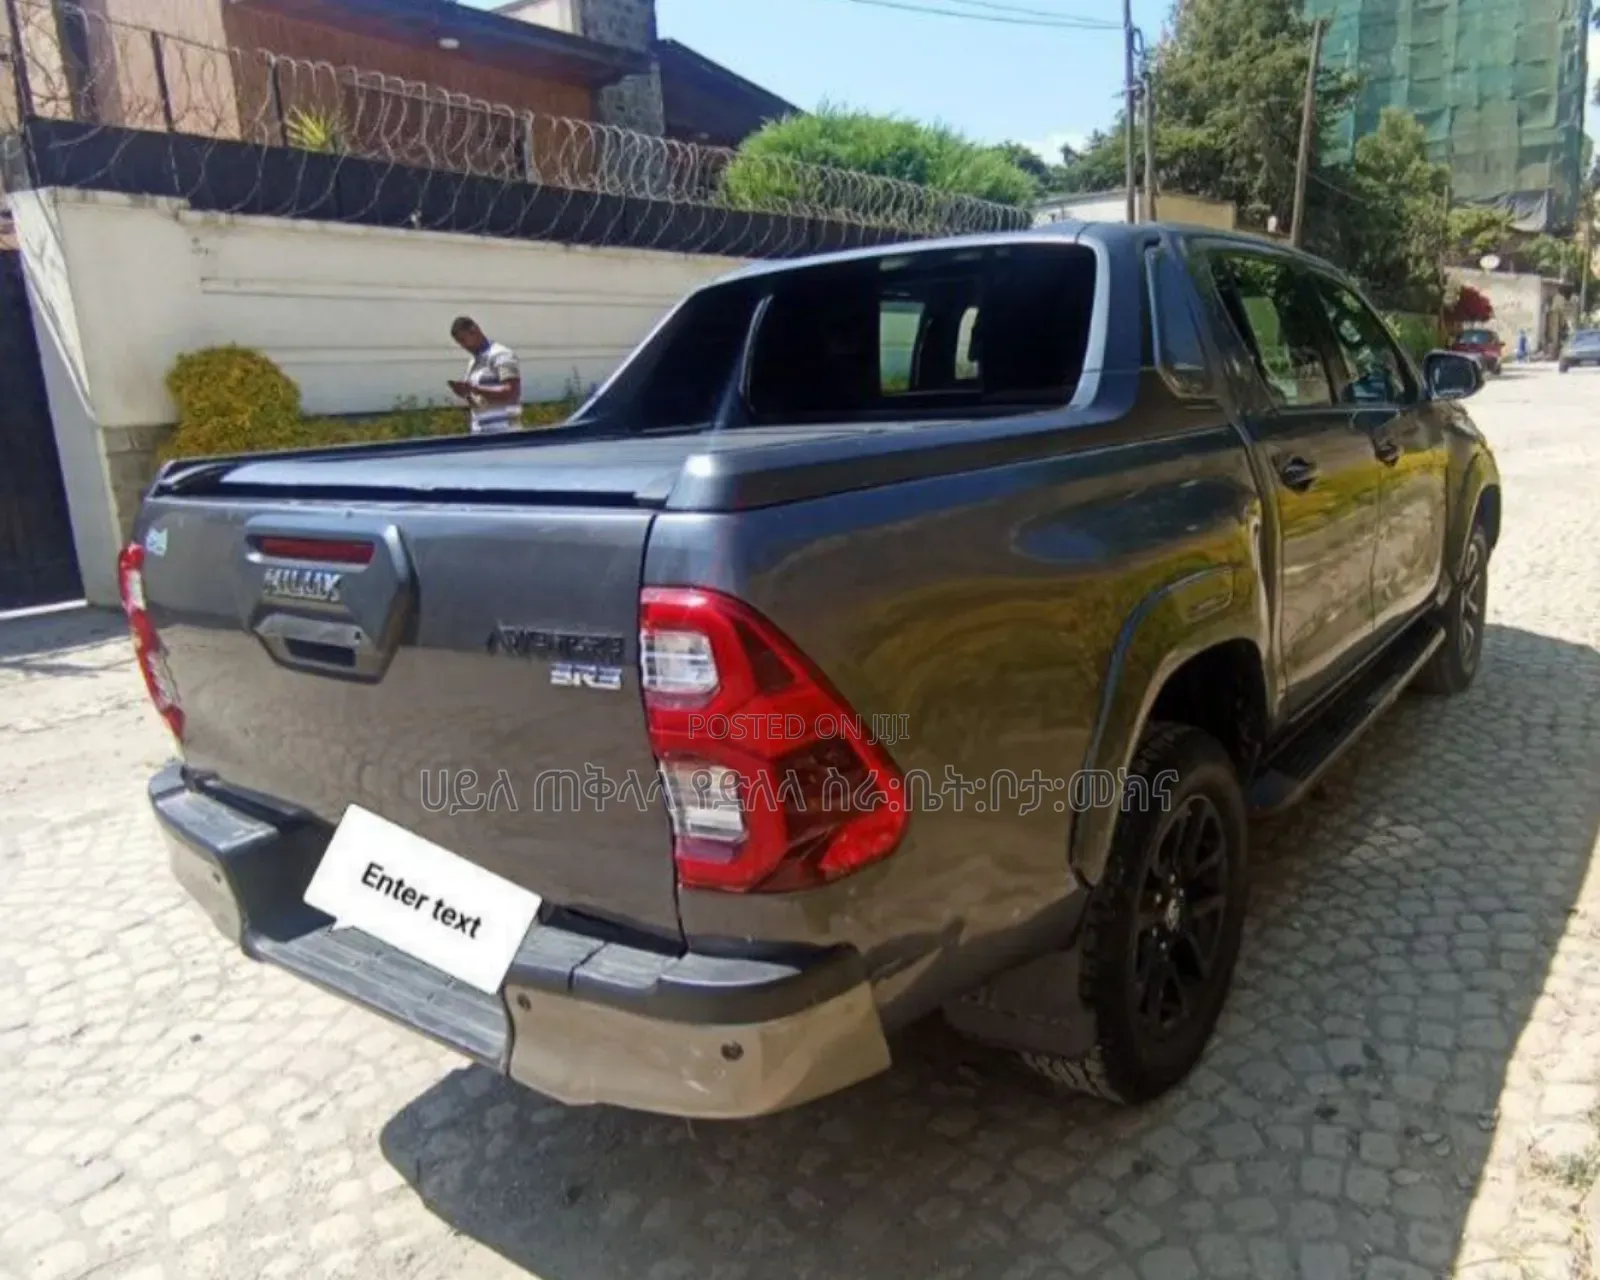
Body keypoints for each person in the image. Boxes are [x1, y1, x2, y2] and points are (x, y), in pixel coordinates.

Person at [448, 316, 522, 433]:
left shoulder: (502, 355)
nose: (463, 346)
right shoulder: (473, 361)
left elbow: (512, 392)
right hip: (480, 431)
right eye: (459, 342)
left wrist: (474, 389)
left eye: (463, 340)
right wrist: (466, 393)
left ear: (475, 330)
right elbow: (478, 399)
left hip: (505, 430)